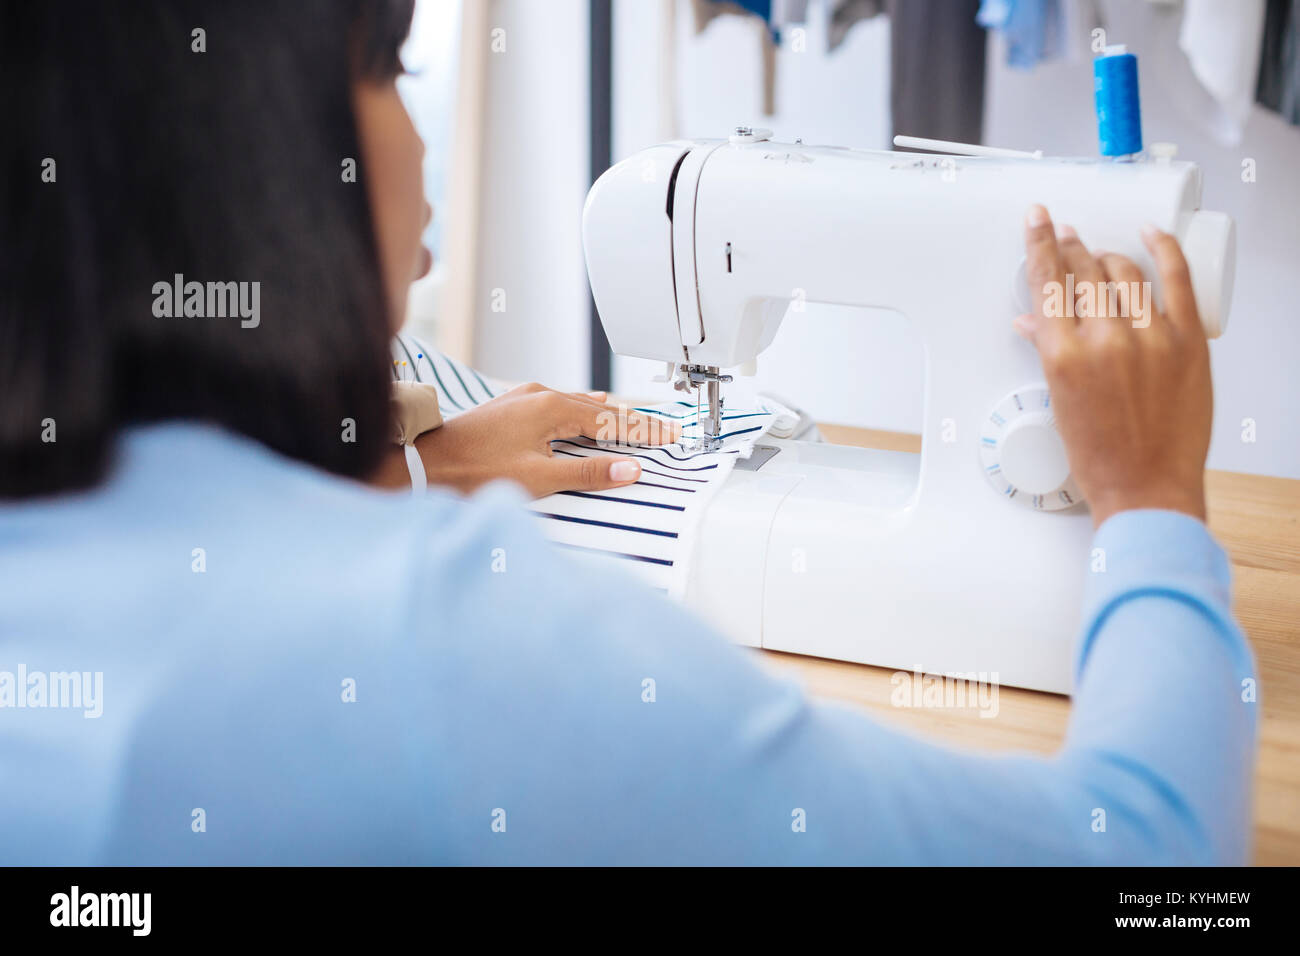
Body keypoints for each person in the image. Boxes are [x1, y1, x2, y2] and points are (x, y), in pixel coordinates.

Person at [0, 0, 1255, 864]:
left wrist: (410, 469)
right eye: (381, 66)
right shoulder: (439, 643)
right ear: (250, 153)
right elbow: (1152, 858)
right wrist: (1150, 492)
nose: (416, 129)